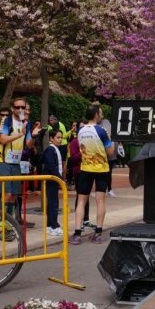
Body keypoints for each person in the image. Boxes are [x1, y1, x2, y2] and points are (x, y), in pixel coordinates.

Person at [0, 97, 40, 239]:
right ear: (12, 108)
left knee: (13, 195)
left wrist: (34, 136)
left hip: (16, 162)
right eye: (17, 107)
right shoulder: (6, 120)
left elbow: (29, 145)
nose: (20, 110)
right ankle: (1, 229)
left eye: (23, 107)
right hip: (3, 161)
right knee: (6, 194)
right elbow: (2, 139)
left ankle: (8, 226)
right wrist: (20, 134)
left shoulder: (26, 123)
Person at [70, 105, 115, 245]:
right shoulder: (102, 131)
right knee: (100, 201)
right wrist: (111, 140)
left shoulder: (79, 130)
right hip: (102, 169)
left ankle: (77, 234)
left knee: (81, 201)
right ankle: (98, 234)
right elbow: (110, 152)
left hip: (86, 169)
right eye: (100, 113)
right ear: (96, 115)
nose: (101, 115)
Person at [40, 129, 64, 236]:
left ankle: (50, 225)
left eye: (61, 138)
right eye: (58, 138)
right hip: (52, 179)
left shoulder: (55, 149)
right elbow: (51, 165)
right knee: (53, 203)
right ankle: (54, 226)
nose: (60, 140)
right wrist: (59, 178)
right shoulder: (51, 149)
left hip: (54, 179)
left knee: (52, 202)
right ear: (51, 138)